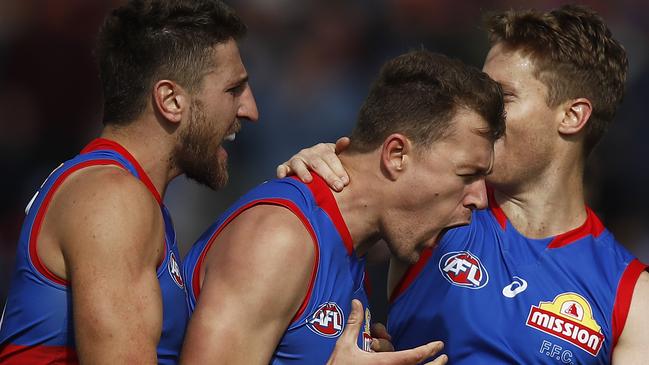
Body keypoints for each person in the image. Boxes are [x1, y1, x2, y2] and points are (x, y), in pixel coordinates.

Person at [278, 4, 649, 364]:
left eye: (501, 97)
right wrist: (318, 175)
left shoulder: (631, 297)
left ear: (572, 116)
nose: (482, 112)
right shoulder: (435, 201)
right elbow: (318, 222)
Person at [180, 50, 506, 364]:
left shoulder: (348, 249)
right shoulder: (280, 238)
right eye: (468, 174)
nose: (479, 197)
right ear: (396, 156)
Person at [0, 1, 258, 363]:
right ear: (171, 100)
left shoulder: (123, 194)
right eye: (234, 90)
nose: (250, 110)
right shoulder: (112, 199)